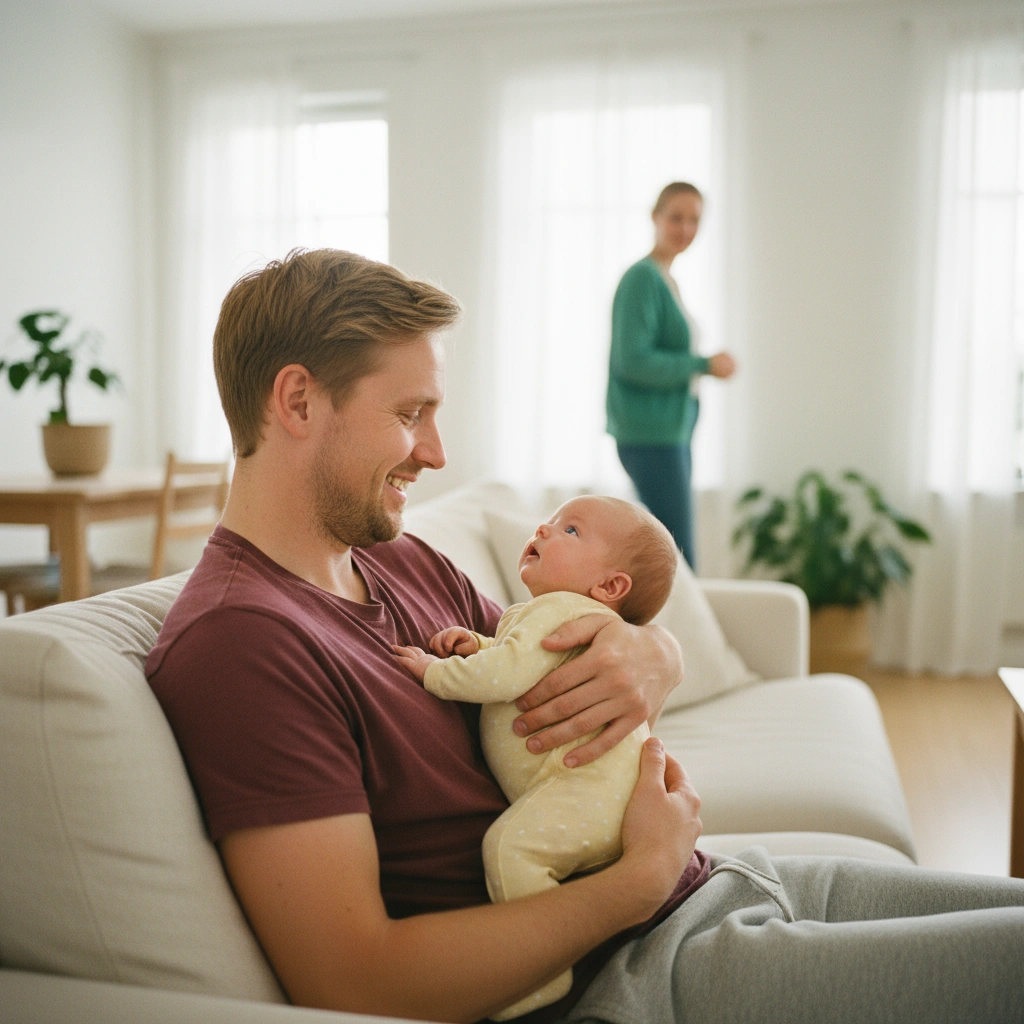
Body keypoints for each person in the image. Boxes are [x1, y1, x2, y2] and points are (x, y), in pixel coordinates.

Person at [147, 247, 1024, 1024]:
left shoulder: (406, 562)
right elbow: (359, 983)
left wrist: (656, 652)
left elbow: (562, 653)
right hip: (637, 974)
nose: (438, 452)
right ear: (298, 400)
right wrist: (635, 884)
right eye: (411, 413)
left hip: (717, 884)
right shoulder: (242, 644)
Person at [394, 495, 679, 1019]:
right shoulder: (545, 615)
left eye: (570, 531)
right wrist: (479, 644)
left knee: (512, 849)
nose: (544, 531)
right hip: (604, 802)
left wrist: (434, 671)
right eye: (549, 521)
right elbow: (515, 660)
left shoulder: (558, 611)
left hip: (583, 792)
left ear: (611, 587)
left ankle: (540, 978)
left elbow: (505, 676)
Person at [606, 181, 736, 570]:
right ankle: (681, 634)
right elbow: (633, 361)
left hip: (669, 434)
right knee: (677, 559)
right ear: (655, 217)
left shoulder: (665, 278)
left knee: (670, 554)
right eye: (676, 217)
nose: (685, 229)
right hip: (651, 437)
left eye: (694, 220)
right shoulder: (642, 279)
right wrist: (703, 364)